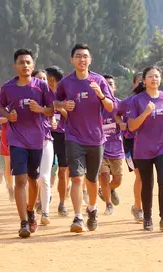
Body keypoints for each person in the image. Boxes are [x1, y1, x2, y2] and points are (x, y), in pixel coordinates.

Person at [54, 43, 114, 233]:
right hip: (73, 136)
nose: (82, 59)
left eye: (85, 56)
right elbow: (55, 102)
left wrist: (101, 95)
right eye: (78, 56)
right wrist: (64, 105)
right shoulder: (66, 82)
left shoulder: (99, 81)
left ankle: (92, 209)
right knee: (77, 178)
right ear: (72, 60)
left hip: (96, 138)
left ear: (90, 60)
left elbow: (111, 107)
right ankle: (78, 217)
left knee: (92, 179)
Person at [0, 49, 53, 238]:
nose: (25, 65)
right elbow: (1, 107)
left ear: (33, 65)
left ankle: (31, 210)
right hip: (17, 139)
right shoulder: (8, 87)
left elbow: (51, 110)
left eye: (28, 62)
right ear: (15, 66)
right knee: (20, 180)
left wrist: (40, 109)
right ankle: (23, 222)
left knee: (33, 178)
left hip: (37, 139)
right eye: (21, 62)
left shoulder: (42, 87)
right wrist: (8, 115)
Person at [128, 66, 163, 231]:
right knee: (147, 183)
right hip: (143, 148)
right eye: (150, 76)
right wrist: (145, 113)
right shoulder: (137, 100)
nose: (154, 79)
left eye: (157, 76)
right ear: (144, 80)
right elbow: (132, 126)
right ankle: (147, 217)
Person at [115, 72, 144, 223]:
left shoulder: (155, 100)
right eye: (139, 81)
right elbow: (117, 114)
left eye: (144, 81)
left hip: (149, 142)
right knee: (140, 175)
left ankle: (143, 207)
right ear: (133, 84)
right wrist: (120, 123)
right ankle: (138, 208)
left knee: (147, 176)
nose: (142, 84)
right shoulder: (127, 102)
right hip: (131, 141)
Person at [98, 75, 124, 215]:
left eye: (111, 84)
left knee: (117, 180)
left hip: (117, 147)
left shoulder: (120, 105)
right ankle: (108, 204)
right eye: (105, 85)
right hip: (100, 147)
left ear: (115, 87)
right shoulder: (96, 106)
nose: (108, 86)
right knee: (104, 176)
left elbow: (126, 124)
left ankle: (108, 189)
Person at [32, 68, 55, 225]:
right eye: (39, 78)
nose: (42, 81)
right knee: (31, 180)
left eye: (44, 79)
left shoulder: (50, 97)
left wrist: (51, 119)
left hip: (46, 140)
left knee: (44, 178)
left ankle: (45, 213)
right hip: (26, 143)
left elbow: (53, 112)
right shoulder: (25, 97)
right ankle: (30, 209)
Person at [47, 66, 69, 217]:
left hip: (63, 137)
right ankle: (43, 197)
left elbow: (71, 116)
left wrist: (60, 108)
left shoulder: (67, 95)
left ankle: (62, 203)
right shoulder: (43, 94)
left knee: (63, 171)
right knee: (44, 170)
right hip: (45, 135)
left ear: (52, 79)